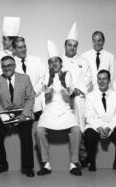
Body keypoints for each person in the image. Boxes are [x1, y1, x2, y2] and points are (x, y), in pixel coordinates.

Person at [36, 41, 82, 176]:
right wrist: (49, 81)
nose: (53, 64)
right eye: (51, 61)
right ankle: (46, 164)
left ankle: (74, 163)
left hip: (65, 111)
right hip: (49, 111)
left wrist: (62, 82)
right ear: (49, 64)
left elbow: (70, 91)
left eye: (56, 61)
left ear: (61, 63)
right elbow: (44, 92)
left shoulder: (67, 74)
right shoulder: (46, 75)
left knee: (76, 131)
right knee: (39, 131)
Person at [0, 56, 36, 177]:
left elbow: (30, 97)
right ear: (1, 67)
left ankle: (27, 167)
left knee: (26, 136)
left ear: (14, 65)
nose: (7, 68)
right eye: (4, 66)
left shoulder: (25, 78)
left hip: (22, 113)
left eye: (9, 65)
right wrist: (4, 117)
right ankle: (1, 164)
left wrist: (24, 114)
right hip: (4, 114)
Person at [83, 70, 116, 172]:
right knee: (88, 135)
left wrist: (108, 128)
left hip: (111, 125)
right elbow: (89, 117)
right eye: (99, 79)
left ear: (109, 81)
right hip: (95, 126)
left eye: (104, 79)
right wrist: (99, 128)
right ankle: (92, 164)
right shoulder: (90, 96)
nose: (101, 81)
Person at [62, 22, 92, 166]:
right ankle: (68, 159)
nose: (72, 48)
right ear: (65, 46)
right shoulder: (59, 61)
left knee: (81, 127)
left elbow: (88, 78)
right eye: (69, 45)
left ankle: (82, 157)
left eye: (75, 46)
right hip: (64, 100)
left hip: (80, 100)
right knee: (67, 128)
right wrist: (71, 90)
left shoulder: (83, 61)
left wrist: (78, 89)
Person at [12, 36, 47, 122]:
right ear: (14, 49)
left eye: (24, 46)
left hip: (37, 104)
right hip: (21, 106)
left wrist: (34, 91)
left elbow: (45, 77)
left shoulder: (36, 60)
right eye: (20, 47)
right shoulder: (11, 64)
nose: (23, 49)